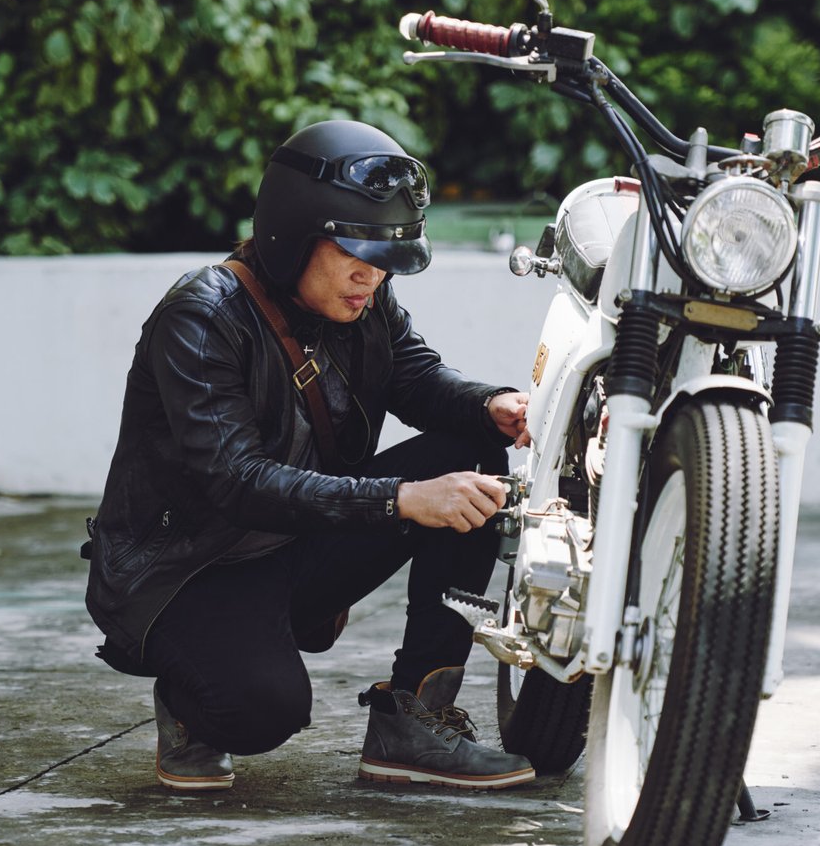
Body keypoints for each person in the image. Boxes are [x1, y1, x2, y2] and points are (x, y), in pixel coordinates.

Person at [82, 119, 536, 792]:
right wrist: (401, 499)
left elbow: (417, 379)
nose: (371, 276)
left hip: (290, 542)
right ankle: (186, 701)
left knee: (472, 450)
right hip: (184, 574)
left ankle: (414, 717)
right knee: (263, 712)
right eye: (354, 254)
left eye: (383, 259)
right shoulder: (202, 317)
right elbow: (234, 480)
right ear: (293, 234)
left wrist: (493, 404)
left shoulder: (365, 301)